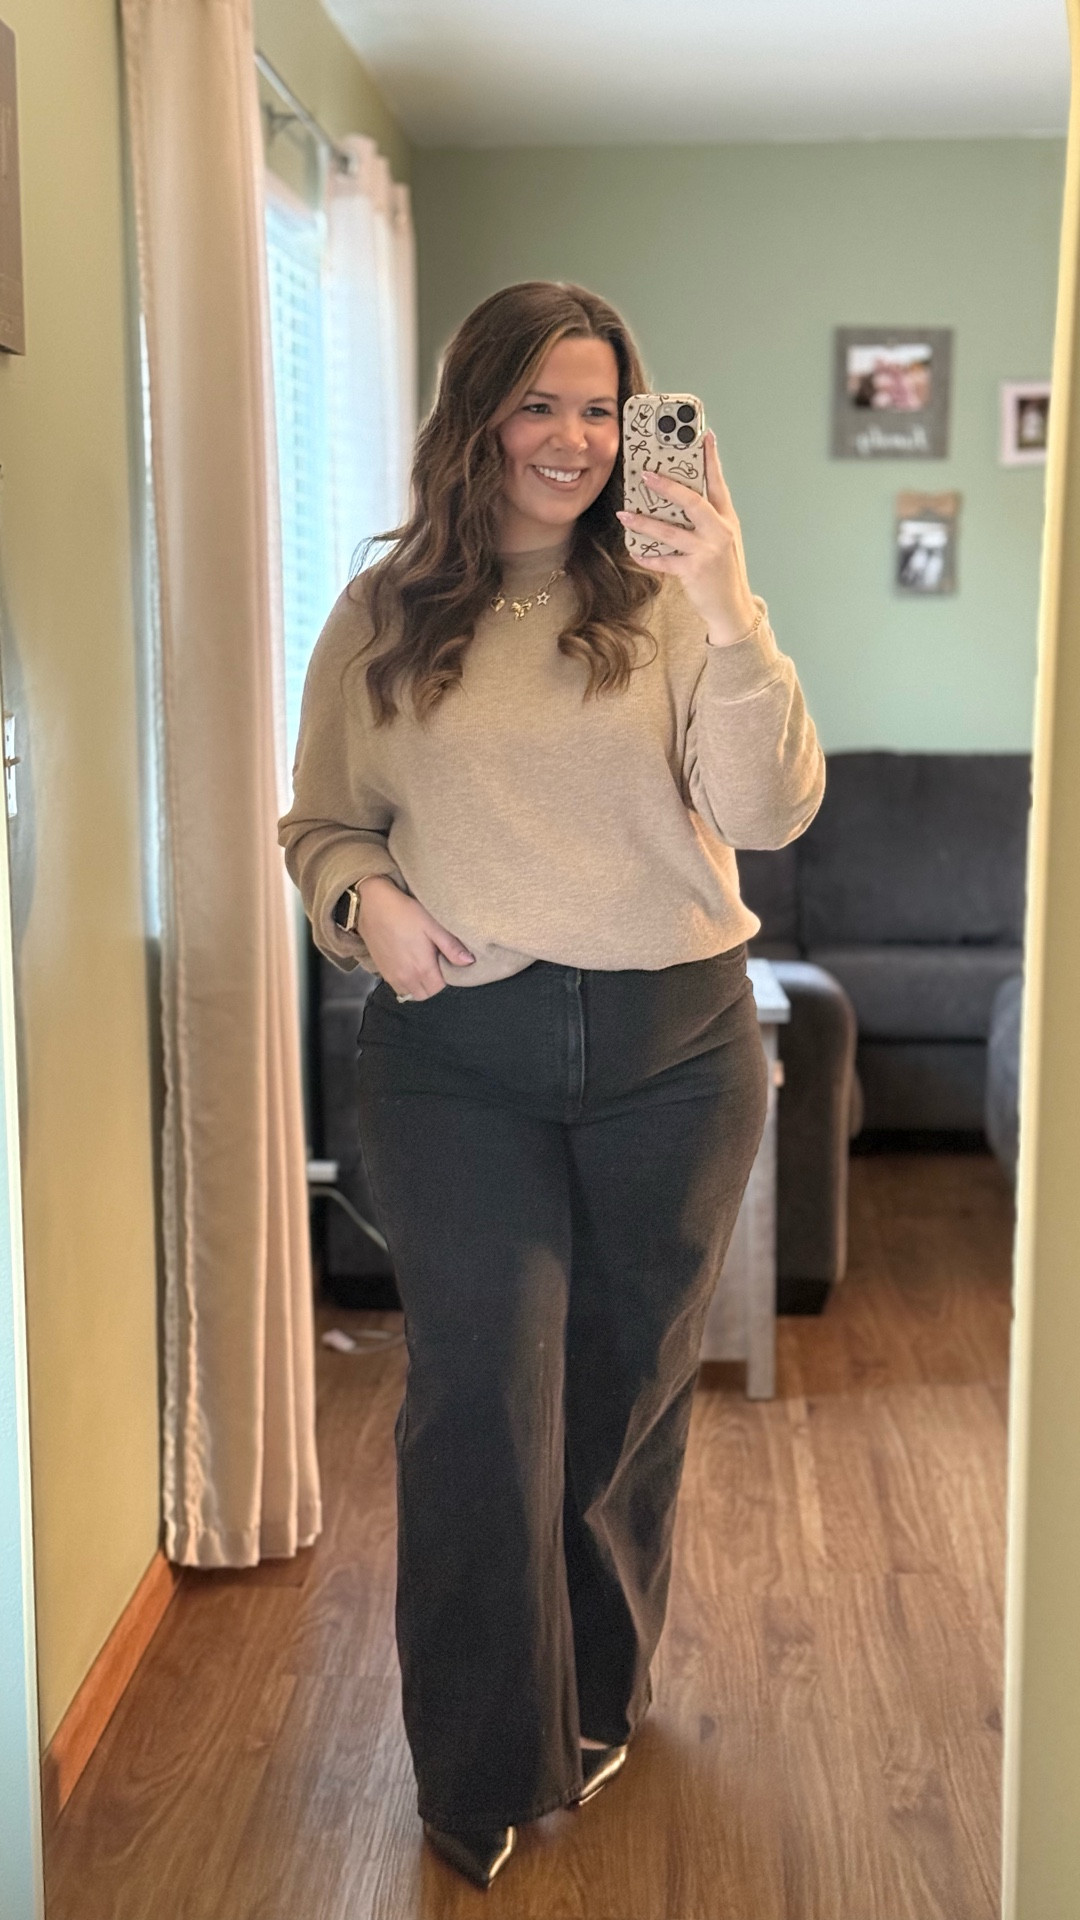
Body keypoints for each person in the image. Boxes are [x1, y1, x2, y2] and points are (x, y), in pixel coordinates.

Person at [279, 280, 825, 1891]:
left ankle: (594, 1697)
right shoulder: (383, 612)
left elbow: (771, 812)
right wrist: (364, 903)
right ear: (478, 417)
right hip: (458, 1061)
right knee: (478, 1399)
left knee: (624, 1394)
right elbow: (321, 825)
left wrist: (725, 596)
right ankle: (477, 1765)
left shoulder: (671, 600)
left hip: (678, 1051)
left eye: (602, 407)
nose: (575, 439)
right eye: (540, 402)